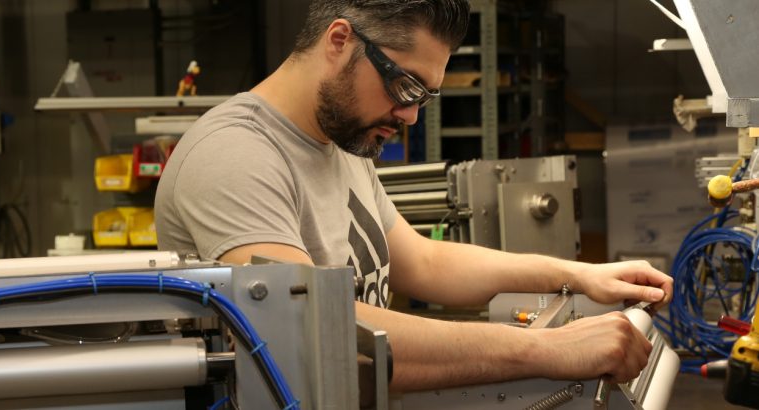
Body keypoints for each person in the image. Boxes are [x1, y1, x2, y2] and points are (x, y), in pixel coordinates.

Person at [155, 0, 674, 390]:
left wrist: (576, 275)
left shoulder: (341, 141)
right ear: (339, 41)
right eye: (406, 88)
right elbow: (310, 328)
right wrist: (542, 349)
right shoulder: (237, 155)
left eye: (424, 96)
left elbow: (423, 262)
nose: (410, 115)